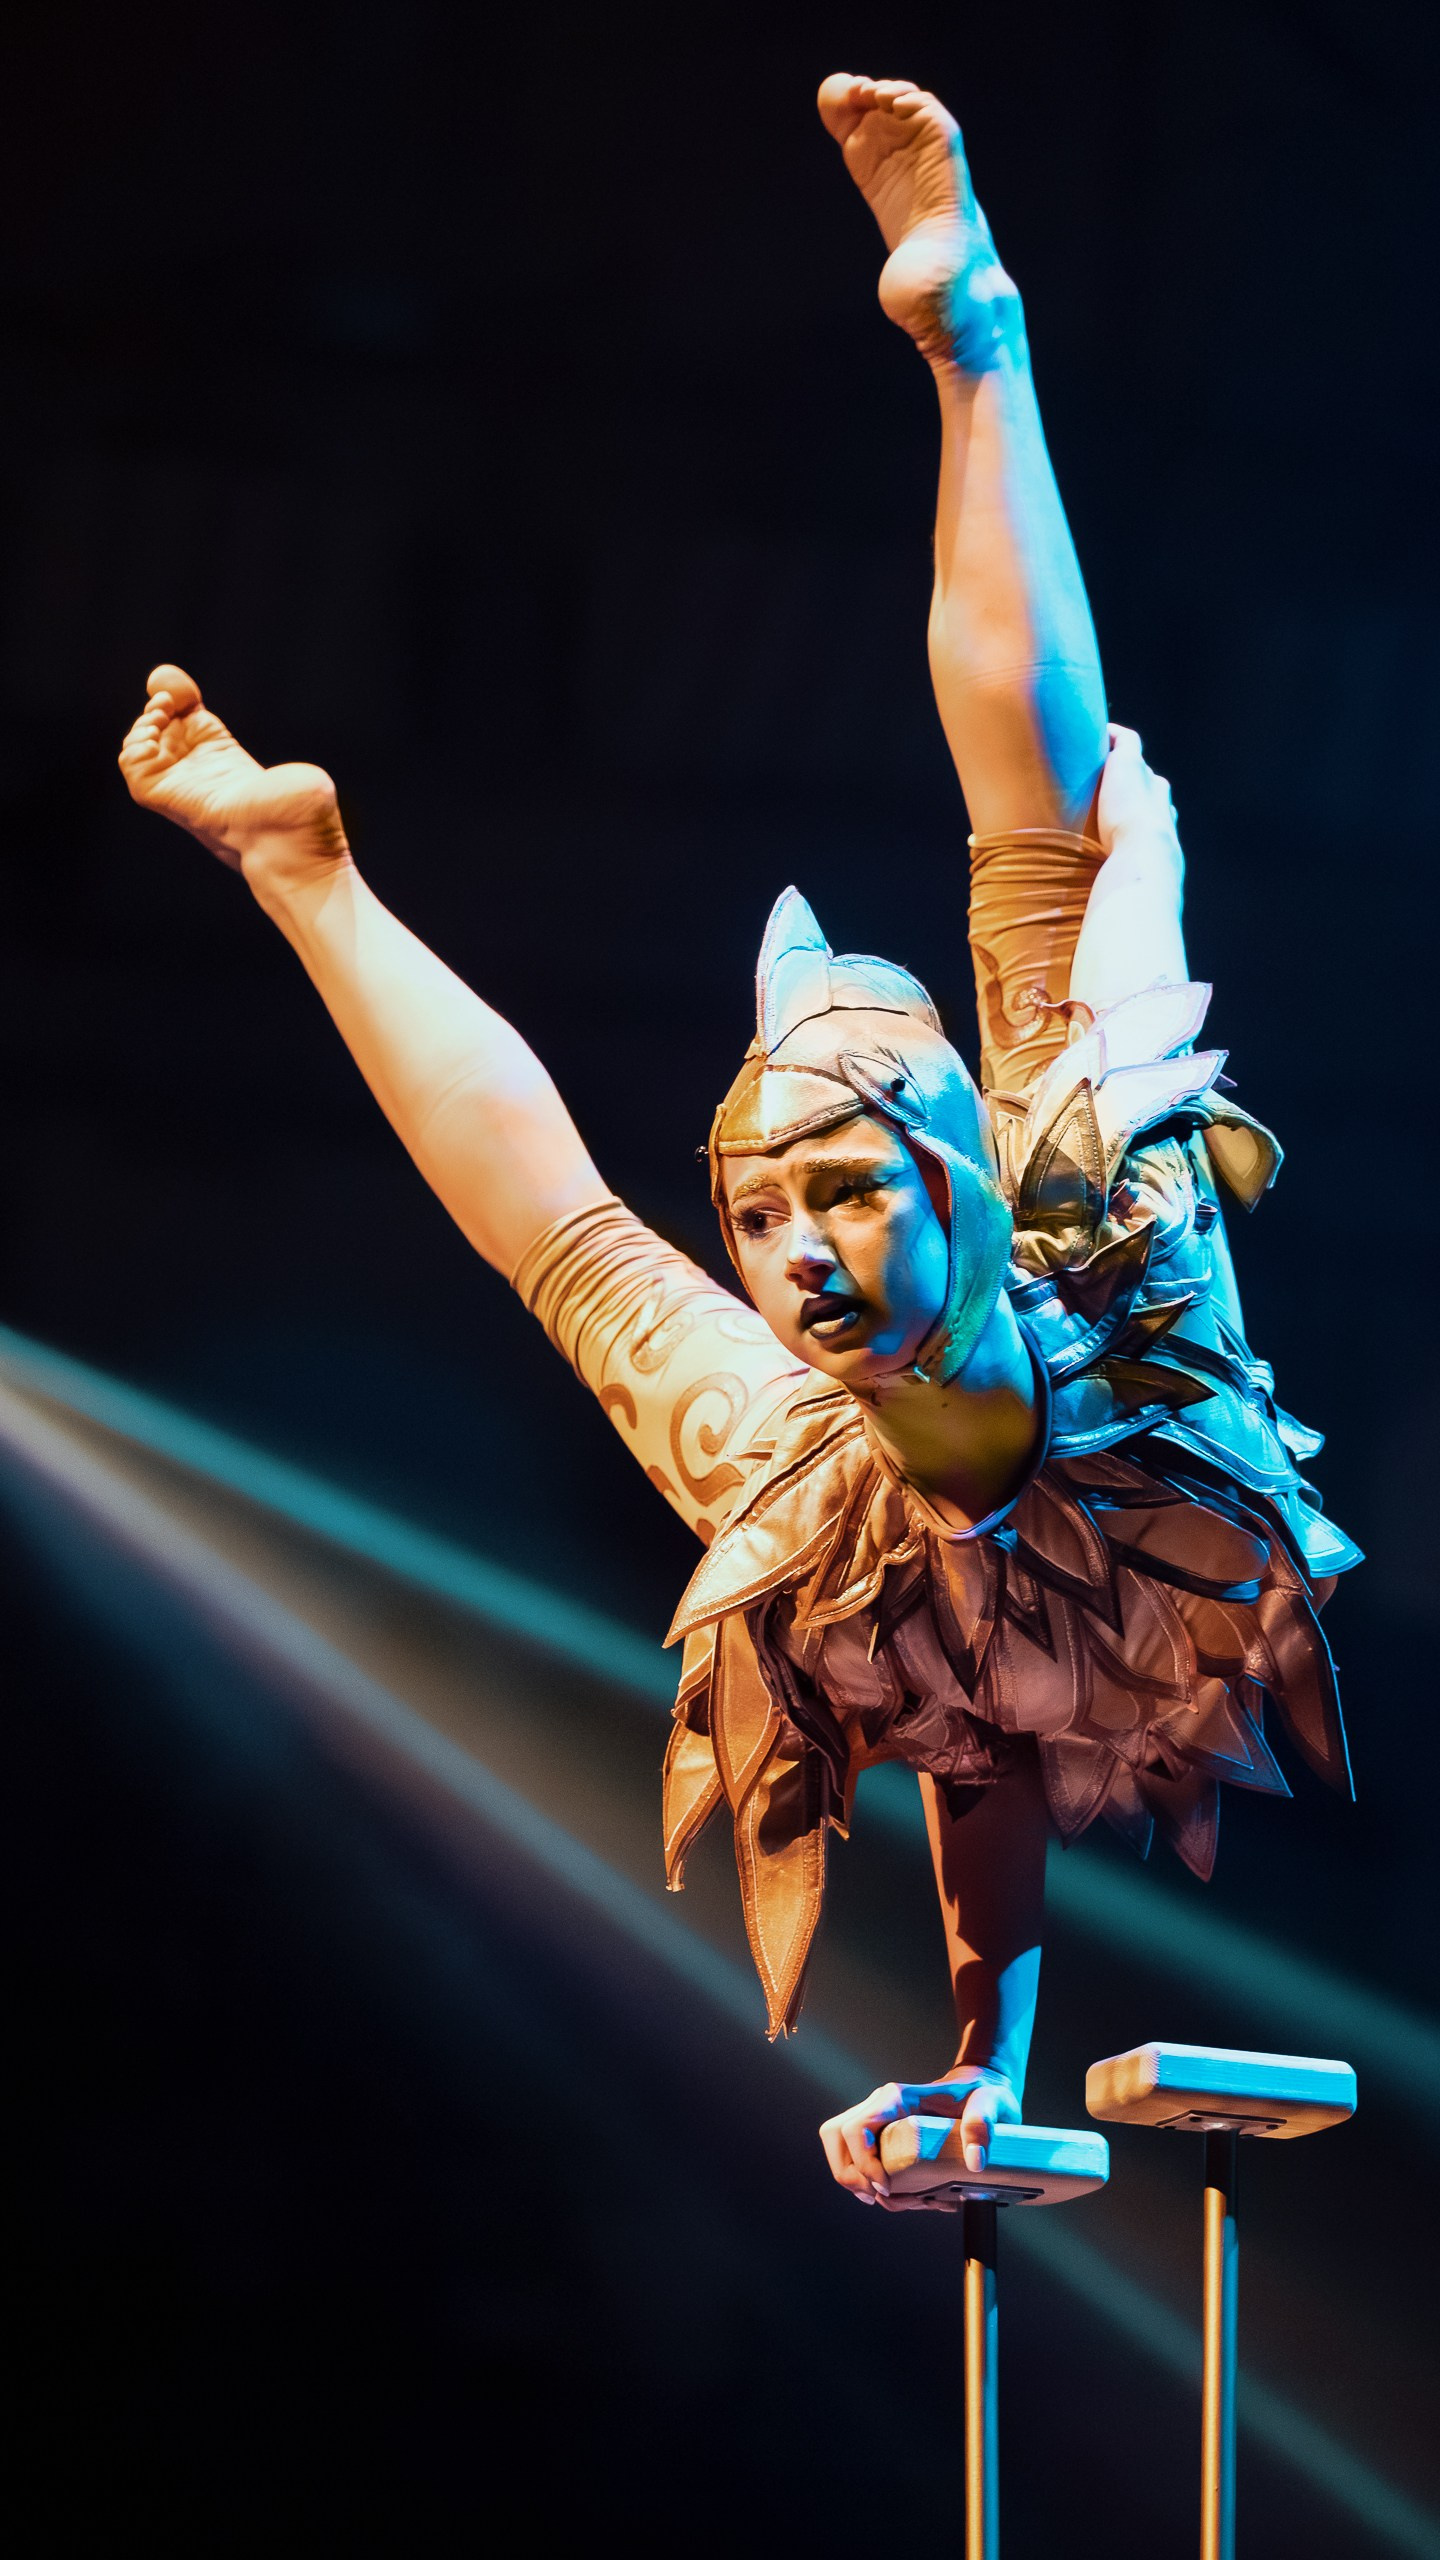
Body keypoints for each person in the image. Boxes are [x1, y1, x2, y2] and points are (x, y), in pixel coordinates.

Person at [118, 74, 1357, 2211]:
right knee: (594, 1271)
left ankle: (976, 331)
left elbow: (1045, 815)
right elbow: (975, 1734)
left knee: (1042, 883)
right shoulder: (815, 1490)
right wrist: (979, 2061)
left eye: (845, 1194)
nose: (790, 1255)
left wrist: (975, 367)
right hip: (934, 1503)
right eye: (765, 1213)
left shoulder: (1103, 1229)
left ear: (949, 1187)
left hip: (1110, 1363)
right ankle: (308, 860)